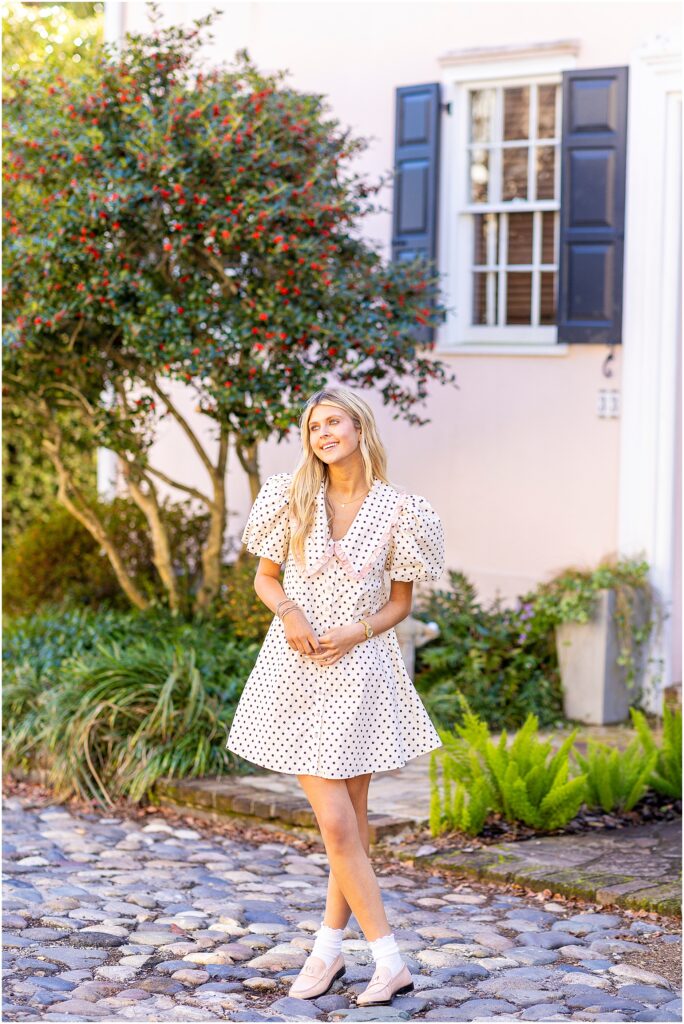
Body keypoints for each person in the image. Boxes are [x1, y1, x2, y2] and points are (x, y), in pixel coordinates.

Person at [226, 385, 445, 1006]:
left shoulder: (404, 511)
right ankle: (388, 958)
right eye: (313, 426)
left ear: (359, 428)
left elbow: (401, 603)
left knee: (348, 826)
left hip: (363, 673)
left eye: (334, 422)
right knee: (336, 823)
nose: (323, 433)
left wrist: (358, 629)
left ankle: (326, 951)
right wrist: (290, 610)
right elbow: (265, 579)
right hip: (295, 673)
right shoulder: (290, 497)